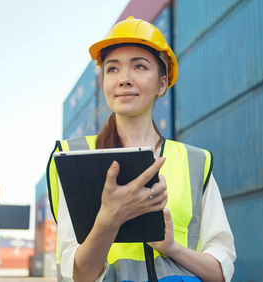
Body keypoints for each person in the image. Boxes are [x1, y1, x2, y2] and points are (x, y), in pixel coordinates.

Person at [47, 16, 236, 281]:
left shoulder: (196, 162)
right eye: (112, 69)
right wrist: (108, 220)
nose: (124, 79)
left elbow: (220, 271)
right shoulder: (74, 157)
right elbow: (77, 275)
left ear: (161, 83)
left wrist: (172, 248)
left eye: (139, 66)